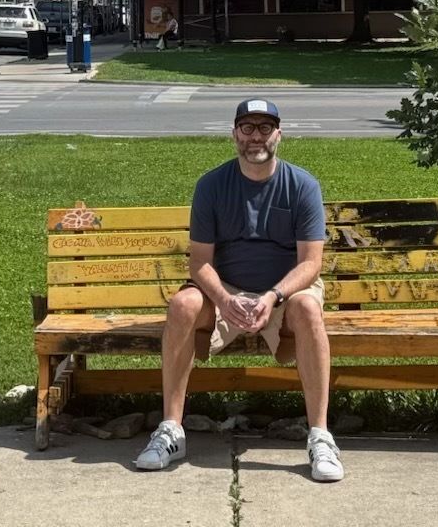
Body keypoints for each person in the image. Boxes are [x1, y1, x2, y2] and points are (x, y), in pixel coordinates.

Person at [135, 97, 343, 482]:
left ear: (279, 134)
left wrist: (272, 296)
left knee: (310, 310)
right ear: (234, 133)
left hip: (283, 291)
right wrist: (224, 299)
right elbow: (199, 262)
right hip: (227, 290)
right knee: (182, 304)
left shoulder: (302, 185)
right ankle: (171, 430)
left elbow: (311, 263)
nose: (255, 137)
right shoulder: (213, 185)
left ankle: (320, 437)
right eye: (247, 128)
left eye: (265, 128)